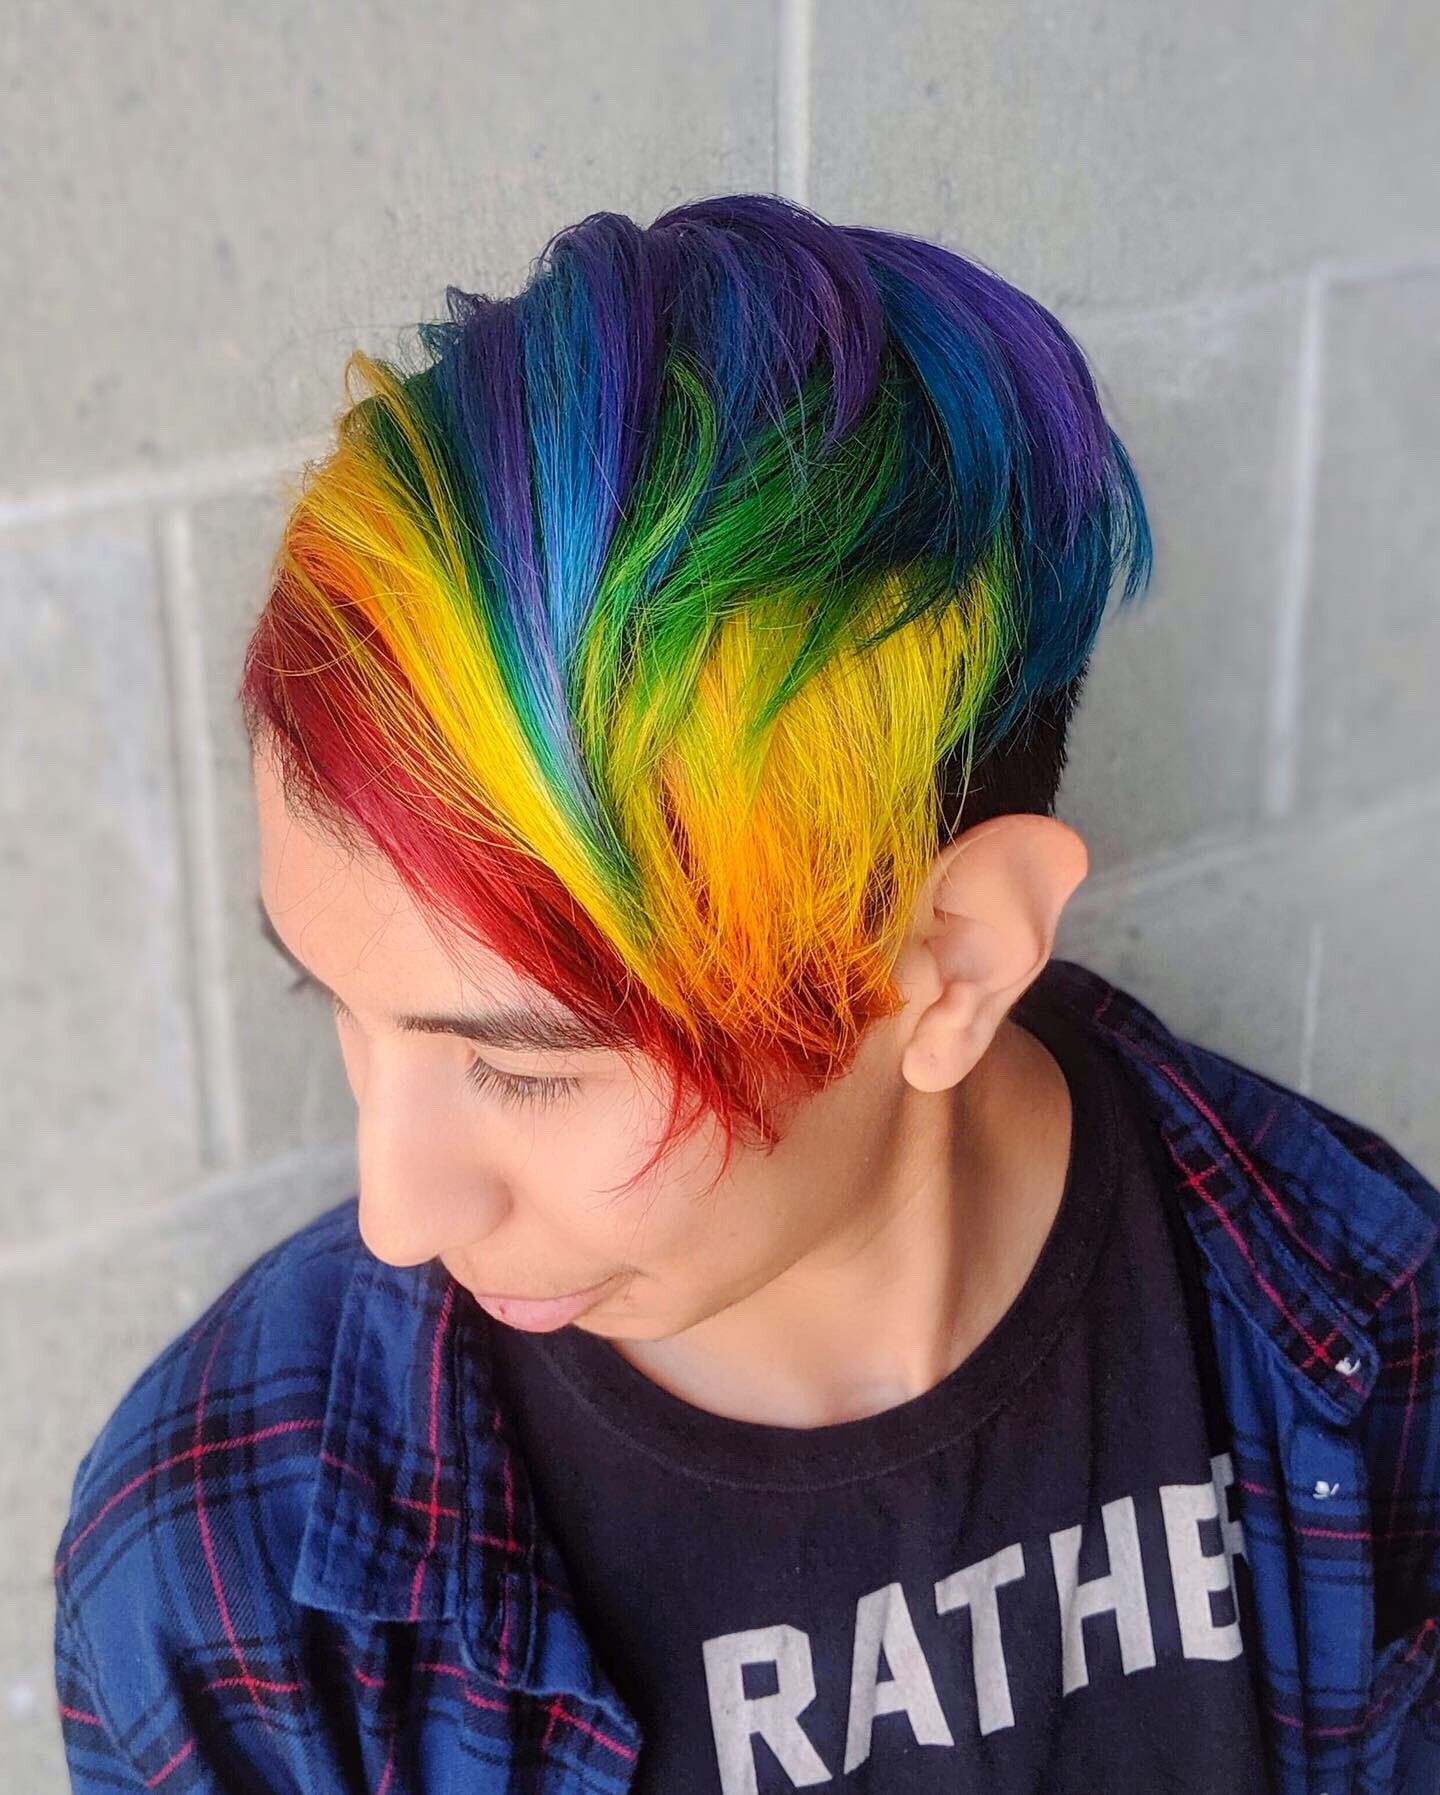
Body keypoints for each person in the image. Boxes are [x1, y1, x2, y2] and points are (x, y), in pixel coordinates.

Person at [52, 193, 1440, 1795]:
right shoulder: (220, 1569)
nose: (397, 1212)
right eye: (338, 1005)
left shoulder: (1368, 1331)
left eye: (526, 1067)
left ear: (952, 960)